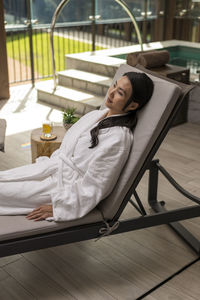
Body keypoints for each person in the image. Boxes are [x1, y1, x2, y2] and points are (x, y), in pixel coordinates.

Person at [0, 72, 154, 222]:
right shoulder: (96, 116)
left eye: (120, 92)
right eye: (114, 85)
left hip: (63, 190)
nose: (111, 93)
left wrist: (60, 206)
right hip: (52, 169)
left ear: (133, 105)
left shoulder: (118, 139)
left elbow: (96, 185)